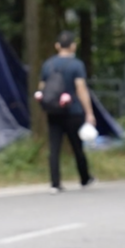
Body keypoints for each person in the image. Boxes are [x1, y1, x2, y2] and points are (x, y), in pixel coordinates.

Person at [36, 30, 96, 194]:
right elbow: (81, 89)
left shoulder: (47, 65)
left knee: (54, 147)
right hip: (73, 111)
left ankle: (55, 183)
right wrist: (89, 112)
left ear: (57, 46)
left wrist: (46, 106)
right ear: (73, 46)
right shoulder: (77, 65)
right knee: (77, 146)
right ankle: (84, 178)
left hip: (54, 111)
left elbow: (42, 88)